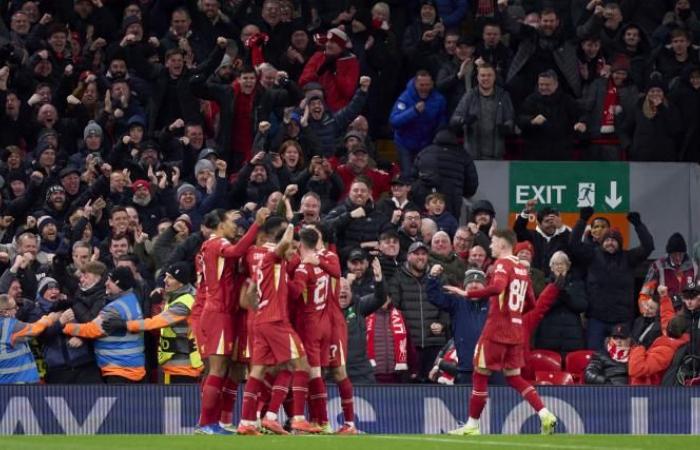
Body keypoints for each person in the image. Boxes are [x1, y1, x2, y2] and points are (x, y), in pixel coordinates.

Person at [447, 229, 557, 436]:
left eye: (493, 242)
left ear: (502, 244)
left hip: (496, 329)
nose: (490, 246)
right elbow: (532, 303)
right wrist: (514, 311)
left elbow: (497, 288)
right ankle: (544, 413)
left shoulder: (503, 264)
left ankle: (472, 425)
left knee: (479, 373)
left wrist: (467, 293)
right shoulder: (523, 270)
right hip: (516, 332)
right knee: (514, 377)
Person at [237, 224, 319, 435]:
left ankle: (247, 422)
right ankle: (295, 418)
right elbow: (283, 243)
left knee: (260, 371)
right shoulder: (272, 258)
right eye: (292, 248)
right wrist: (291, 223)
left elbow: (251, 294)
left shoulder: (276, 265)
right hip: (275, 322)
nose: (293, 252)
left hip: (263, 321)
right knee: (301, 363)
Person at [195, 208, 264, 434]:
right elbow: (235, 251)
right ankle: (206, 423)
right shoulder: (217, 243)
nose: (235, 225)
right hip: (218, 313)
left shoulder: (210, 245)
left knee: (220, 370)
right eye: (231, 221)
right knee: (217, 369)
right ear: (220, 224)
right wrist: (257, 225)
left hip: (220, 312)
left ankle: (211, 423)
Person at [102, 262, 203, 384]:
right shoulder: (175, 296)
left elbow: (156, 322)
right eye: (165, 276)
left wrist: (125, 324)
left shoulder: (185, 303)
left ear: (180, 283)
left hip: (185, 368)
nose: (165, 280)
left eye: (170, 277)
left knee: (181, 403)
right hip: (173, 366)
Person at [570, 210, 654, 351]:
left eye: (614, 240)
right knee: (594, 356)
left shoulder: (628, 258)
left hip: (622, 319)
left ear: (619, 243)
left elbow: (648, 247)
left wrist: (638, 225)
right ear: (602, 242)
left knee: (621, 357)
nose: (610, 243)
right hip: (597, 319)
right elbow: (573, 244)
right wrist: (582, 220)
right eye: (607, 240)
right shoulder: (592, 255)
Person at [62, 267, 145, 383]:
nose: (106, 283)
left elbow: (92, 330)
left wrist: (63, 325)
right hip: (129, 367)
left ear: (118, 283)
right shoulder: (131, 299)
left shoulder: (115, 307)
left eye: (109, 280)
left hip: (120, 370)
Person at [390, 241, 449, 382]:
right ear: (408, 256)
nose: (421, 257)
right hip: (410, 345)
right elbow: (394, 309)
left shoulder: (439, 277)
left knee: (434, 387)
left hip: (434, 344)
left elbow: (447, 306)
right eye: (416, 254)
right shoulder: (398, 277)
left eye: (423, 254)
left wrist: (442, 324)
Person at [427, 267, 490, 384]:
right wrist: (432, 277)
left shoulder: (494, 303)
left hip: (492, 368)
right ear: (464, 286)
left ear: (485, 287)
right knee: (466, 401)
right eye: (470, 282)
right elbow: (434, 297)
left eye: (478, 282)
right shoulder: (457, 302)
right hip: (465, 368)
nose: (474, 285)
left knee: (499, 400)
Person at [450, 63, 515, 160]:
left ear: (494, 77)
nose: (486, 78)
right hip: (472, 156)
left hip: (496, 156)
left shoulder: (503, 96)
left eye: (489, 75)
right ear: (478, 77)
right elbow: (454, 119)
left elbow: (510, 119)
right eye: (483, 75)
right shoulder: (469, 96)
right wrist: (463, 120)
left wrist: (507, 127)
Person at [390, 70, 447, 177]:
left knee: (425, 175)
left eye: (427, 85)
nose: (424, 88)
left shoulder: (439, 99)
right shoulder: (405, 98)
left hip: (426, 144)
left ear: (432, 84)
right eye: (421, 85)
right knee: (407, 175)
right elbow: (394, 121)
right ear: (415, 84)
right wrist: (413, 111)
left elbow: (442, 121)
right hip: (405, 143)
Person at [0, 294, 59, 383]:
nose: (17, 310)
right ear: (4, 312)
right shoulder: (10, 325)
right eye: (14, 307)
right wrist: (49, 319)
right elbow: (35, 329)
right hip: (18, 383)